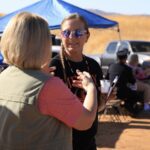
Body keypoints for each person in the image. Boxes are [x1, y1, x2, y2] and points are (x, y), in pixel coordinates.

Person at [0, 12, 98, 150]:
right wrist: (91, 89)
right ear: (42, 44)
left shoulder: (3, 77)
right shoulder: (48, 86)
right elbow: (85, 121)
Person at [50, 13, 103, 150]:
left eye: (78, 33)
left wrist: (105, 99)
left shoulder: (93, 66)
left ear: (87, 36)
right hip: (63, 143)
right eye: (66, 33)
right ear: (61, 36)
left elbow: (96, 108)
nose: (72, 37)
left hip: (89, 142)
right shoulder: (53, 67)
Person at [107, 48, 144, 115]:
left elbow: (107, 78)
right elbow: (132, 81)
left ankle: (123, 107)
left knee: (131, 95)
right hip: (122, 93)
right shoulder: (127, 69)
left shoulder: (111, 66)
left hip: (111, 93)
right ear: (126, 58)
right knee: (138, 96)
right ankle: (130, 109)